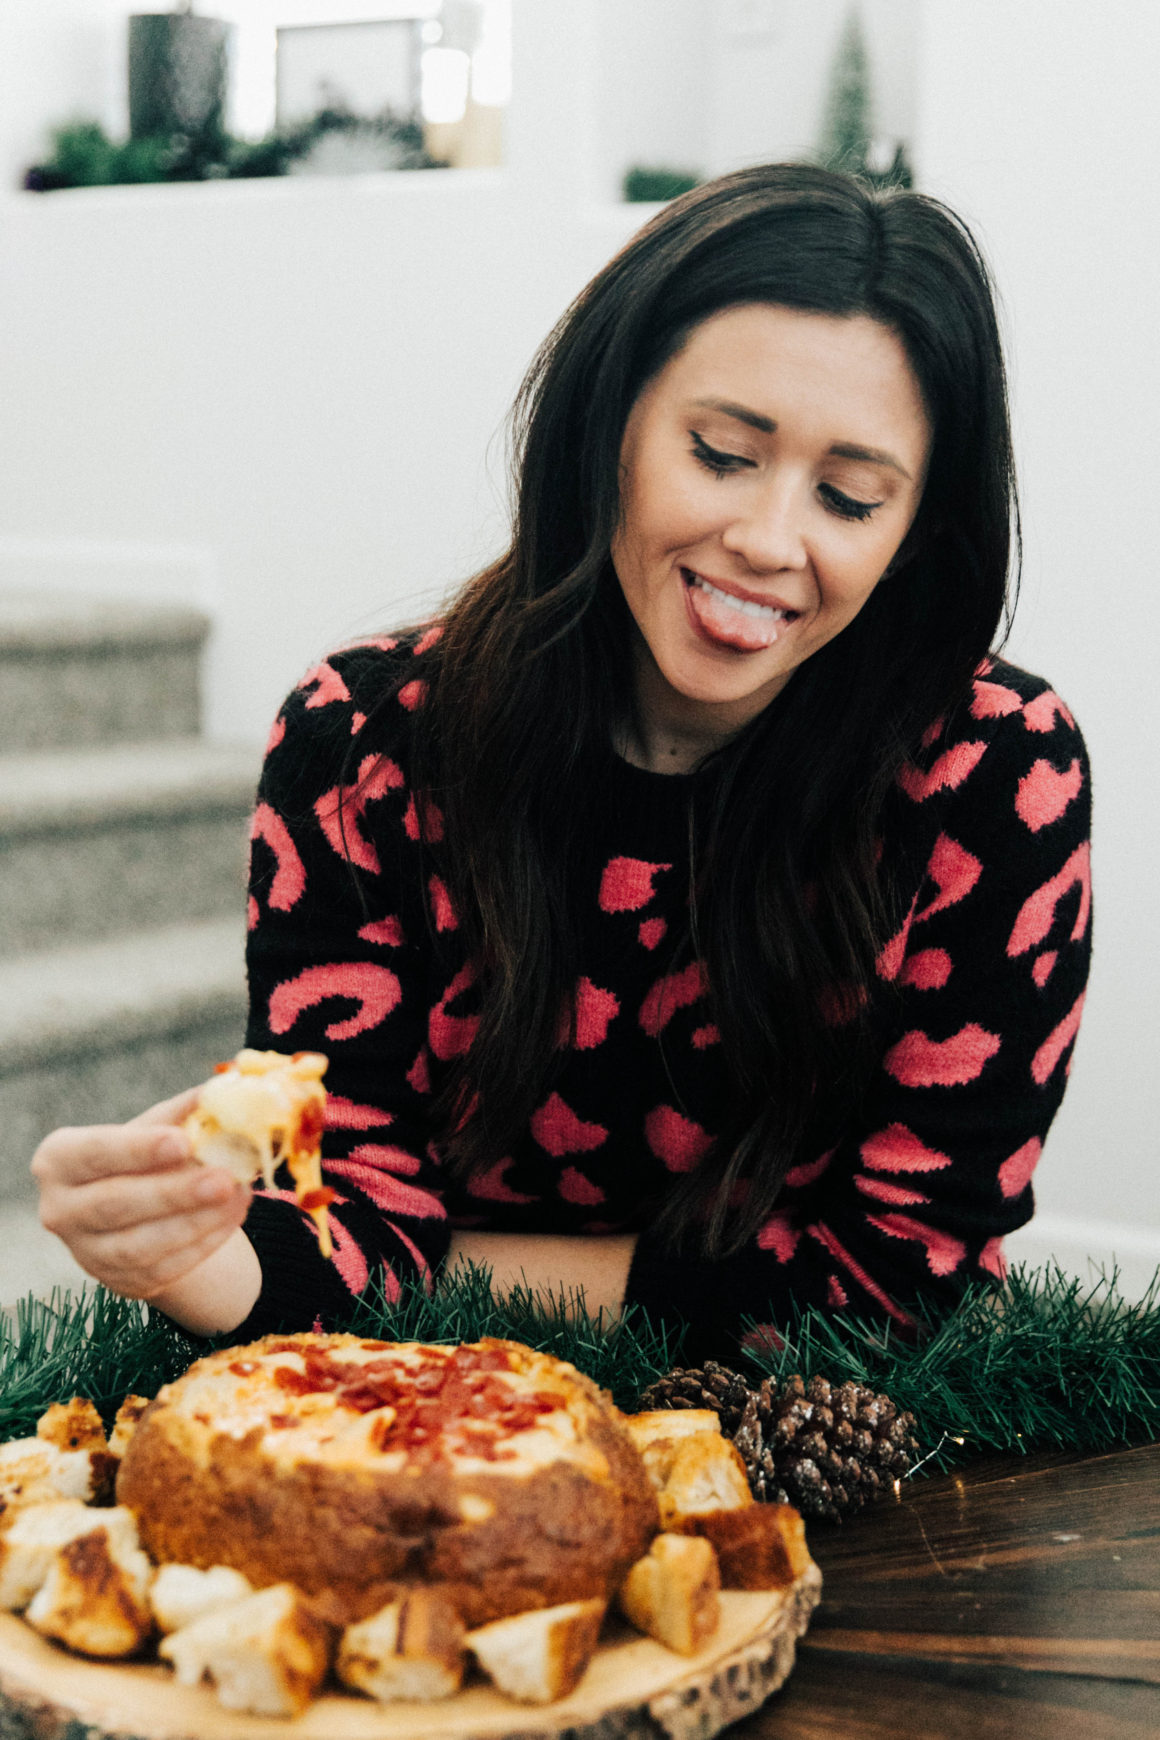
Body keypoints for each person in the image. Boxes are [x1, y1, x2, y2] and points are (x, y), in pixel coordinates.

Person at [32, 165, 1091, 1359]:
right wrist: (199, 1254)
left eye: (847, 499)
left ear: (910, 538)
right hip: (430, 1433)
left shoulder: (994, 771)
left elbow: (908, 1286)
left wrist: (456, 1267)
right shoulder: (358, 743)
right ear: (610, 426)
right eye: (721, 453)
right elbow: (351, 1215)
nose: (766, 541)